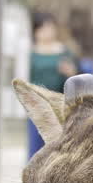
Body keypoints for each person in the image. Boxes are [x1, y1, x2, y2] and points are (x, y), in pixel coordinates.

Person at [27, 13, 77, 158]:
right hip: (36, 104)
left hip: (59, 105)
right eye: (44, 28)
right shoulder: (31, 52)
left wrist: (70, 71)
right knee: (36, 146)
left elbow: (75, 75)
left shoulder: (64, 51)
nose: (48, 31)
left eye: (51, 28)